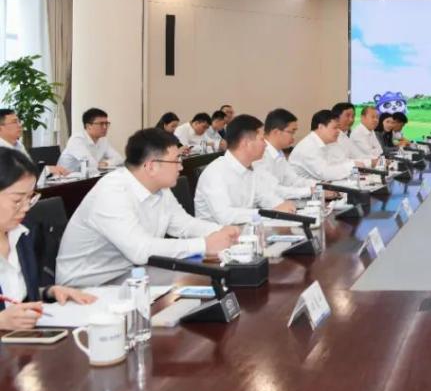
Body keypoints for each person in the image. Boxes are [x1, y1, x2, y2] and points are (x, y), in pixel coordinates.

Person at [56, 128, 239, 287]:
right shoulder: (112, 192)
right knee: (195, 287)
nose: (181, 167)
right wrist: (204, 244)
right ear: (151, 166)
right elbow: (140, 250)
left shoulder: (161, 189)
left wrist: (224, 232)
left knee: (209, 282)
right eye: (176, 160)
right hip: (87, 286)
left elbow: (184, 225)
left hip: (133, 274)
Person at [0, 149, 96, 330]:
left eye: (30, 198)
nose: (26, 207)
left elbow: (17, 295)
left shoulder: (23, 235)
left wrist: (49, 292)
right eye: (17, 200)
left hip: (24, 340)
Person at [194, 115, 295, 225]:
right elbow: (226, 216)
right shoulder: (216, 172)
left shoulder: (251, 167)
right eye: (262, 139)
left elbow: (264, 196)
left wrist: (282, 206)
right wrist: (270, 214)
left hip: (245, 229)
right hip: (218, 233)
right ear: (246, 143)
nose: (266, 145)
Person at [254, 108, 317, 199]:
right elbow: (272, 190)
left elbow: (293, 180)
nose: (293, 137)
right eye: (291, 132)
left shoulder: (278, 153)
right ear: (276, 132)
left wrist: (320, 186)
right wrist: (309, 191)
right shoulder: (259, 155)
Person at [289, 110, 358, 181]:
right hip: (303, 187)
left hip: (318, 185)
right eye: (335, 128)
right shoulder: (308, 146)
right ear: (321, 127)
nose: (338, 131)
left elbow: (339, 162)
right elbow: (325, 174)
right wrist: (352, 165)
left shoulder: (326, 142)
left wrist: (355, 164)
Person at [0, 108, 70, 177]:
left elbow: (29, 168)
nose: (20, 125)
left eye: (19, 121)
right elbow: (15, 174)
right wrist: (48, 170)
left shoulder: (18, 145)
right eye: (14, 122)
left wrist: (47, 170)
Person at [57, 108, 123, 172]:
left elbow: (119, 159)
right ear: (88, 126)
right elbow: (89, 164)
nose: (105, 127)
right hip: (65, 178)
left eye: (106, 123)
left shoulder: (103, 140)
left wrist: (106, 163)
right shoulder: (77, 139)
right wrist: (99, 165)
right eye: (101, 124)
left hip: (90, 176)